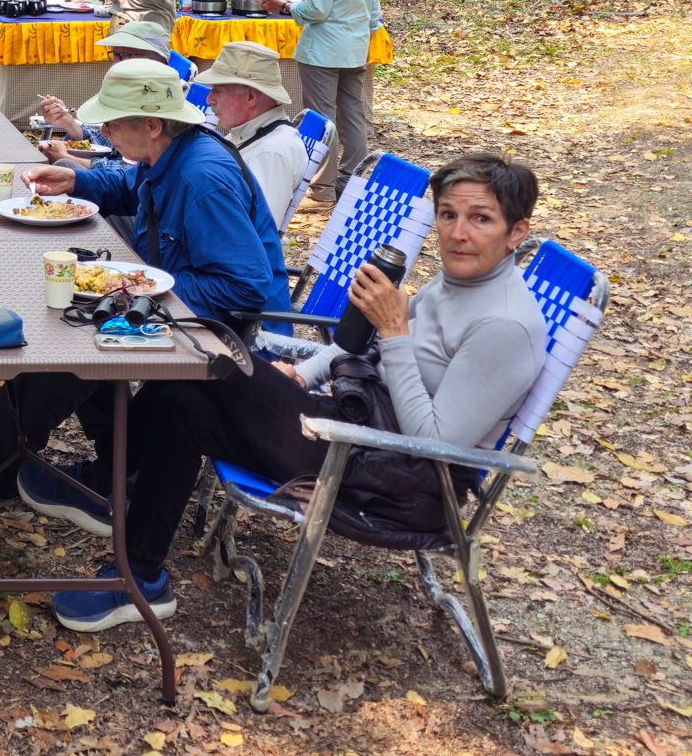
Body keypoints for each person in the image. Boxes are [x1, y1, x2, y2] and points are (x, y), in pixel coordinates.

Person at [47, 151, 546, 631]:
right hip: (356, 430)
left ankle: (108, 483)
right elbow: (367, 346)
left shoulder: (504, 326)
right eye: (448, 215)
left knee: (208, 360)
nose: (458, 234)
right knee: (181, 399)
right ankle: (139, 577)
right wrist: (303, 375)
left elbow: (434, 443)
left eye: (481, 219)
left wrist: (395, 332)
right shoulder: (457, 282)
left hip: (395, 479)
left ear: (516, 232)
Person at [0, 60, 290, 515]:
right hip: (179, 305)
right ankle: (115, 464)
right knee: (78, 321)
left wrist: (135, 291)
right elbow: (133, 187)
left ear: (152, 123)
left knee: (70, 343)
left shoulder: (203, 177)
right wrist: (76, 177)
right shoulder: (167, 153)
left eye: (111, 122)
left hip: (225, 332)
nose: (102, 130)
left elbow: (246, 286)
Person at [260, 0, 381, 206]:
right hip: (355, 47)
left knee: (321, 118)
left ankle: (321, 190)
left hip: (323, 51)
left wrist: (285, 6)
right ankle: (350, 184)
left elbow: (318, 9)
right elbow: (373, 10)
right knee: (353, 116)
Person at [195, 41, 309, 228]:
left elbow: (257, 232)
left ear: (251, 97)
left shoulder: (271, 153)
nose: (209, 99)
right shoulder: (248, 134)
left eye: (218, 90)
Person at [36, 20, 171, 167]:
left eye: (125, 55)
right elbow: (110, 142)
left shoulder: (164, 101)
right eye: (115, 55)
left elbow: (132, 174)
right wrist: (68, 123)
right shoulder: (130, 91)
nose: (115, 64)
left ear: (158, 61)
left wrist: (69, 159)